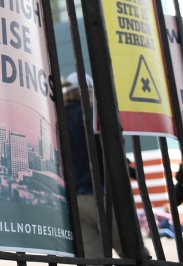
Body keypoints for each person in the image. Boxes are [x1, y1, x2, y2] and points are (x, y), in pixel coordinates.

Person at [62, 72, 123, 258]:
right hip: (103, 194)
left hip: (74, 200)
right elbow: (112, 146)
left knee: (94, 259)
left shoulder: (58, 118)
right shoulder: (93, 115)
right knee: (132, 254)